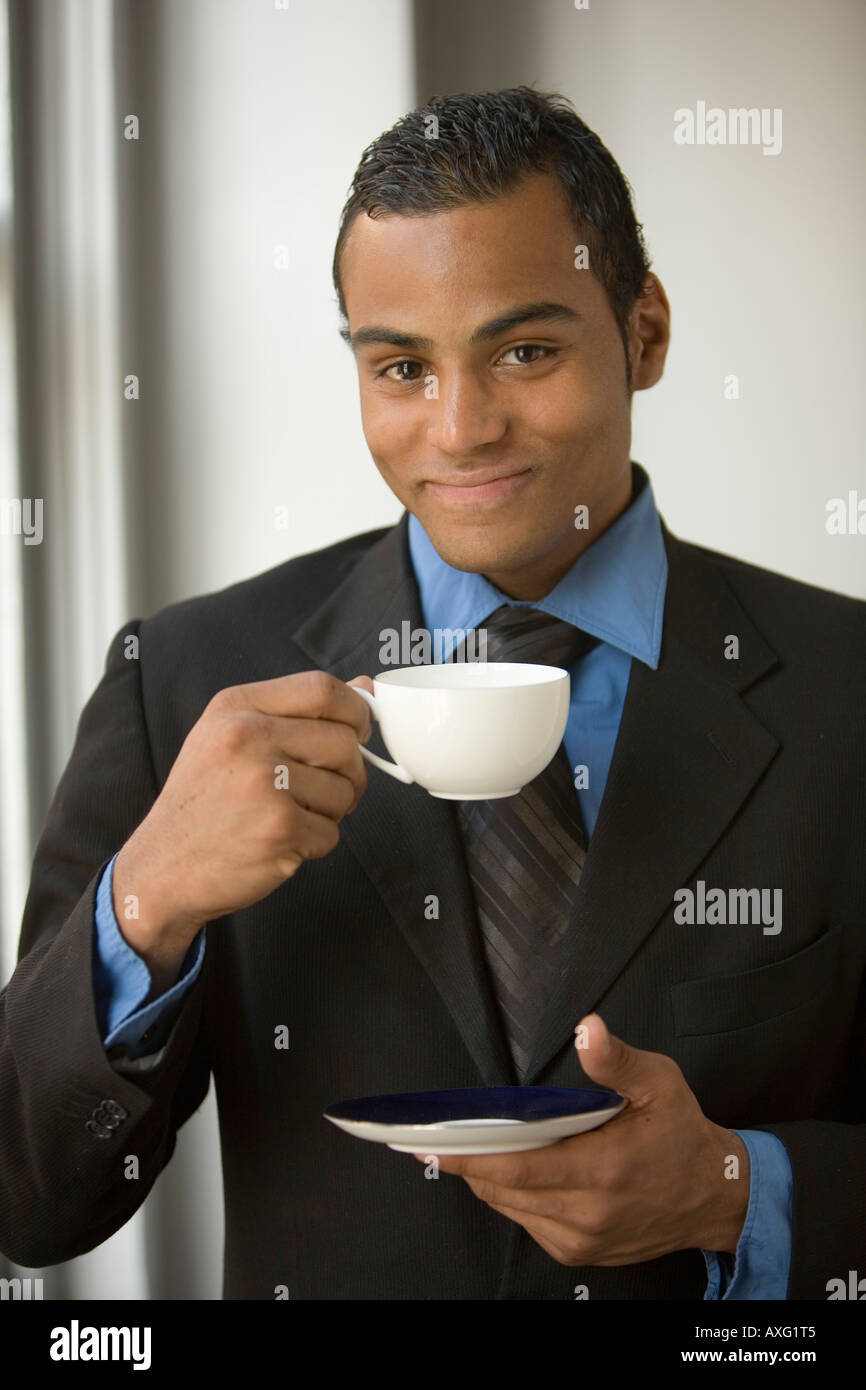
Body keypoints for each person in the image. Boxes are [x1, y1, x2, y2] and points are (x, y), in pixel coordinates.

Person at [1, 87, 863, 1301]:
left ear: (646, 333)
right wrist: (142, 908)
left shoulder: (847, 692)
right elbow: (28, 1198)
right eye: (402, 366)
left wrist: (737, 1188)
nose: (458, 429)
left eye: (524, 350)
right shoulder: (185, 681)